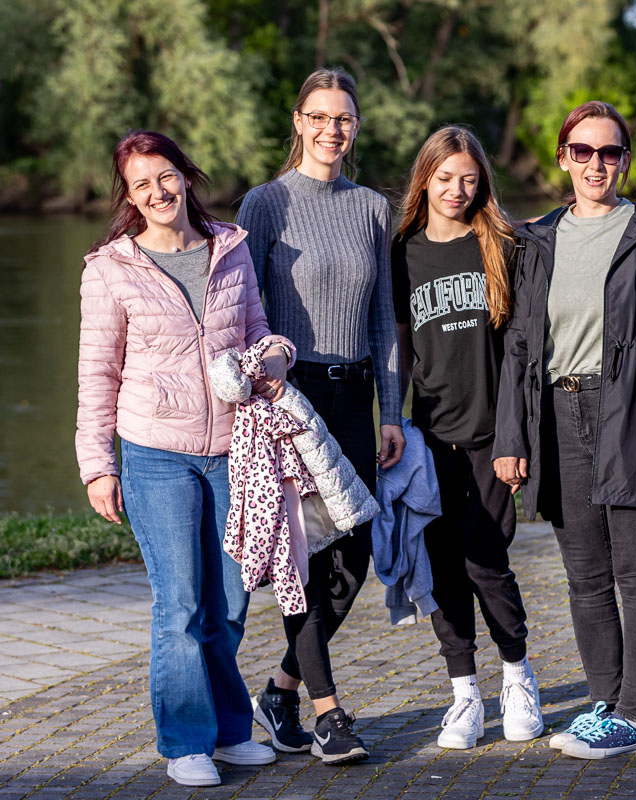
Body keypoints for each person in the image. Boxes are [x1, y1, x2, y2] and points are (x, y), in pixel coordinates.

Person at [492, 101, 636, 759]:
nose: (595, 164)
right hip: (559, 415)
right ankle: (603, 705)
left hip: (635, 415)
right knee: (584, 576)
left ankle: (634, 716)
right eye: (582, 151)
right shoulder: (537, 240)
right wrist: (511, 437)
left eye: (609, 153)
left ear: (625, 162)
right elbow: (520, 345)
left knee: (635, 572)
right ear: (563, 158)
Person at [76, 130, 285, 787]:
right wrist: (98, 465)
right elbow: (97, 374)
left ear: (185, 176)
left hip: (233, 450)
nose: (157, 192)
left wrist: (276, 355)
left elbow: (256, 328)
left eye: (165, 176)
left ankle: (229, 732)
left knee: (230, 603)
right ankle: (186, 742)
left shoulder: (230, 247)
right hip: (155, 455)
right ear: (129, 196)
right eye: (141, 184)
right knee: (181, 605)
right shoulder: (110, 268)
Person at [236, 67, 402, 764]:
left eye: (345, 119)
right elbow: (243, 308)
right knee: (303, 558)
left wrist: (392, 409)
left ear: (355, 128)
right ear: (299, 122)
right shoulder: (264, 204)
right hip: (291, 399)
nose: (333, 129)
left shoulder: (372, 208)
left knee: (353, 555)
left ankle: (280, 691)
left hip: (355, 395)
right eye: (321, 117)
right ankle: (329, 714)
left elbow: (384, 317)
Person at [393, 126, 543, 750]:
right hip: (429, 439)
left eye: (469, 180)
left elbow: (522, 351)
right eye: (445, 178)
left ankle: (518, 676)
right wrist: (390, 421)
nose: (456, 190)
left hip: (492, 437)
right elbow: (398, 350)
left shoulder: (500, 245)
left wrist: (516, 436)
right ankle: (464, 695)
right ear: (425, 179)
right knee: (440, 567)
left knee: (486, 560)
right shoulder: (401, 253)